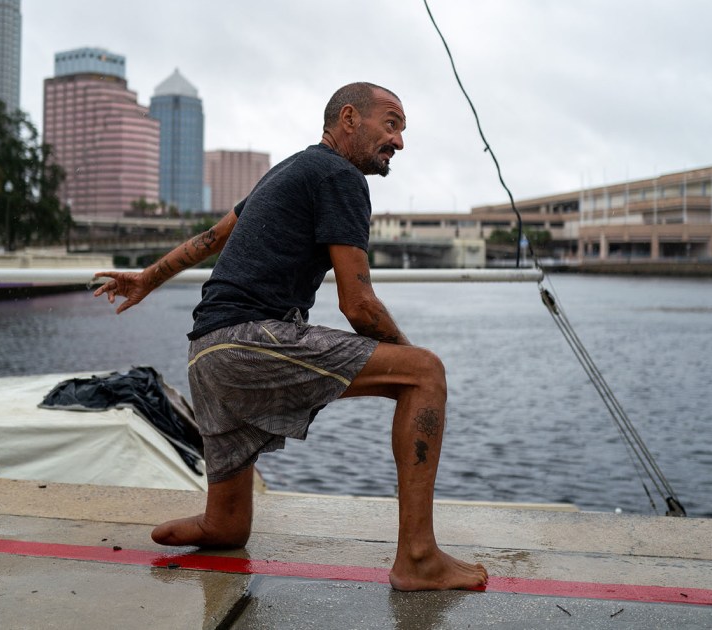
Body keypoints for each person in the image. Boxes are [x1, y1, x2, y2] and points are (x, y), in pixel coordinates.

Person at [93, 82, 488, 591]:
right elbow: (359, 304)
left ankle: (215, 521)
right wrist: (414, 368)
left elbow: (212, 239)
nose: (400, 142)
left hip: (205, 355)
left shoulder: (289, 170)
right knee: (426, 373)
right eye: (391, 125)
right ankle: (417, 556)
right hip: (246, 344)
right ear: (349, 118)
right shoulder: (340, 176)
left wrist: (149, 278)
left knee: (230, 529)